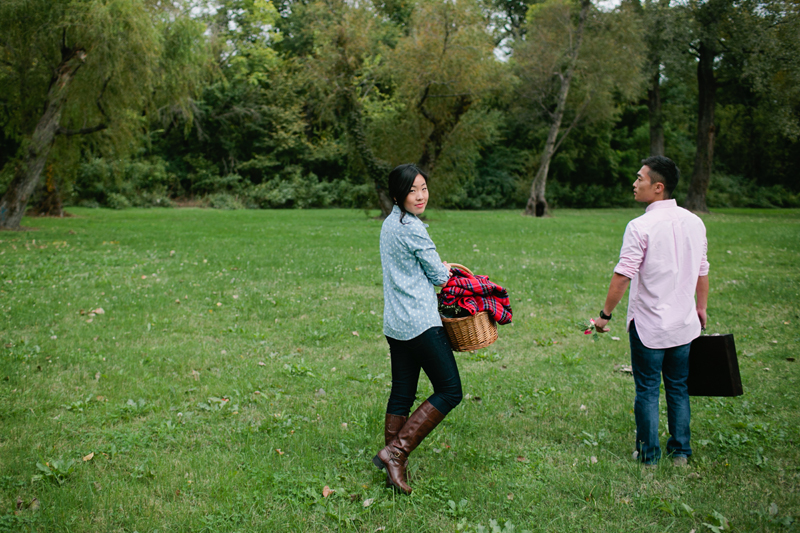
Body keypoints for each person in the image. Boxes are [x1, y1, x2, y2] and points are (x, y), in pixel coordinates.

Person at [593, 156, 709, 466]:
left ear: (658, 187)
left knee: (646, 389)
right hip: (684, 324)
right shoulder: (694, 222)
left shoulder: (640, 226)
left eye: (640, 179)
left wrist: (604, 316)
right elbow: (702, 269)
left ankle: (648, 456)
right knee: (678, 387)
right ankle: (681, 452)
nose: (634, 183)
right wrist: (701, 308)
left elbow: (622, 276)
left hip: (649, 325)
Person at [372, 163, 463, 494]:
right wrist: (445, 269)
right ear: (398, 194)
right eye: (413, 190)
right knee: (451, 390)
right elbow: (439, 278)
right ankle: (396, 454)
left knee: (402, 392)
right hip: (421, 323)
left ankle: (394, 468)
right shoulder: (413, 229)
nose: (420, 195)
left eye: (423, 188)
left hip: (395, 323)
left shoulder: (388, 224)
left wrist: (438, 266)